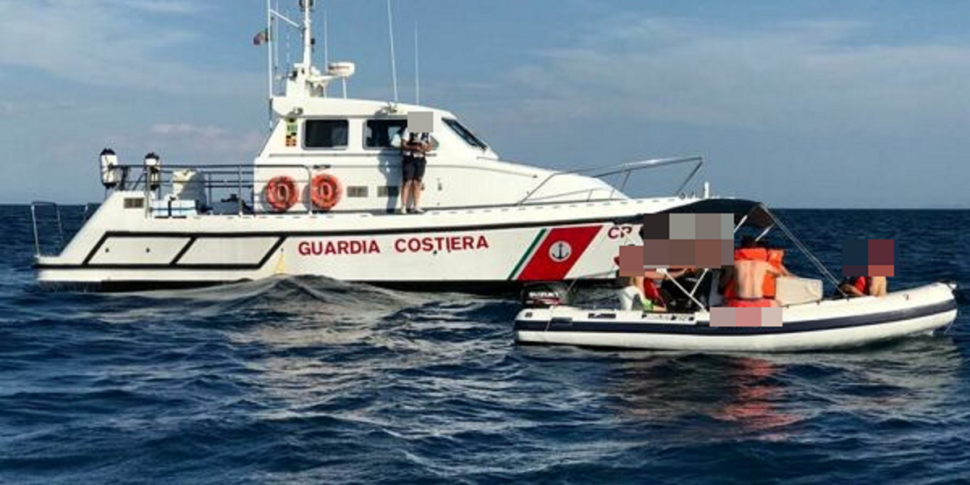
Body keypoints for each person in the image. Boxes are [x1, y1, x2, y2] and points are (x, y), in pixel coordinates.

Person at [391, 127, 431, 214]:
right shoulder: (408, 130)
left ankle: (416, 206)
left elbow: (429, 147)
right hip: (409, 159)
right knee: (407, 182)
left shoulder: (426, 132)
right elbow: (403, 144)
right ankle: (403, 206)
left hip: (421, 159)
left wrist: (424, 148)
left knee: (418, 182)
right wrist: (414, 148)